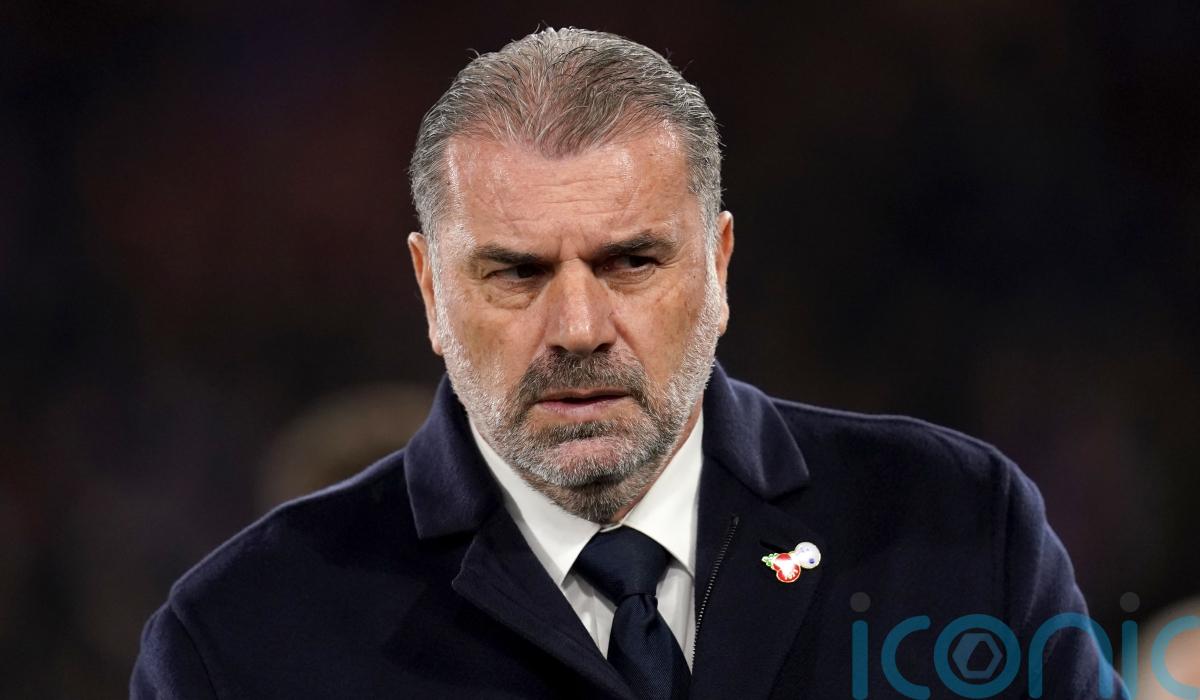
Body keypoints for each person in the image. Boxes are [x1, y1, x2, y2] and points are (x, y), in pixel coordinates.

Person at [132, 28, 1122, 699]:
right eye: (516, 272)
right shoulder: (242, 640)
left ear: (718, 267)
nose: (578, 326)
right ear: (431, 290)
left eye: (632, 262)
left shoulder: (959, 530)